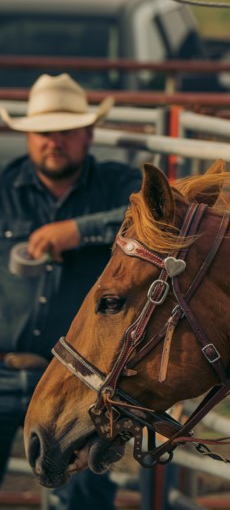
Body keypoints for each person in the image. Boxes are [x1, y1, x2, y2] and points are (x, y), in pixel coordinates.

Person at [0, 73, 141, 508]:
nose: (53, 142)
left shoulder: (118, 186)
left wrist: (78, 231)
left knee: (83, 498)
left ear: (88, 135)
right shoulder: (5, 190)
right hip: (3, 374)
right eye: (44, 132)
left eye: (66, 132)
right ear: (28, 137)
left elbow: (155, 215)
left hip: (82, 382)